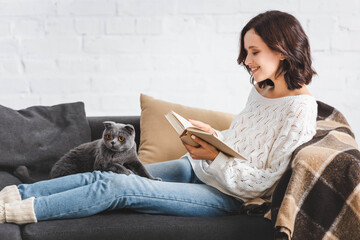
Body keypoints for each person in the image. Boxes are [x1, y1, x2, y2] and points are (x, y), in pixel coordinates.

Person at [0, 10, 318, 224]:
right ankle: (12, 195)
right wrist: (213, 136)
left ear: (282, 50)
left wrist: (215, 157)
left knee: (116, 190)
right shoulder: (262, 89)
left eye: (254, 51)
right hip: (198, 167)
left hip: (226, 195)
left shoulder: (300, 111)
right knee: (109, 174)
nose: (246, 60)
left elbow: (265, 182)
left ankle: (16, 213)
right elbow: (244, 143)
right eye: (246, 51)